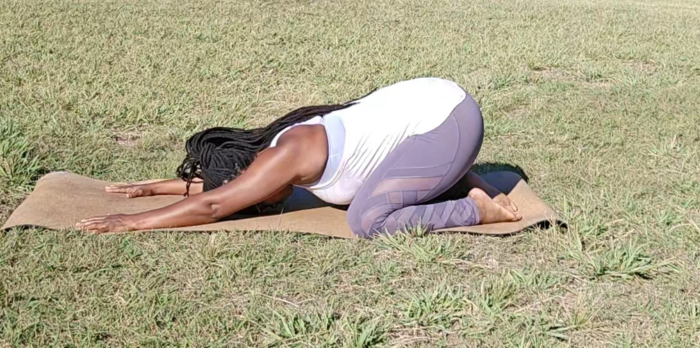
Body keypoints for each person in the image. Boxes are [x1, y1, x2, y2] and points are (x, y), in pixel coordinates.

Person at [77, 77, 521, 237]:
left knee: (368, 220)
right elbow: (223, 190)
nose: (266, 204)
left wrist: (131, 222)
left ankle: (475, 206)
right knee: (364, 194)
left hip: (449, 120)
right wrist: (154, 188)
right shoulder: (270, 145)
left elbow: (214, 204)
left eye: (261, 199)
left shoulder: (283, 159)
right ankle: (458, 174)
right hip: (431, 99)